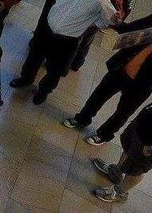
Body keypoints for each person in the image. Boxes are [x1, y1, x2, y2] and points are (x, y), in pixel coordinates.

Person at [10, 0, 118, 104]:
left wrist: (112, 20)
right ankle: (25, 79)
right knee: (33, 57)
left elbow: (108, 21)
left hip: (67, 41)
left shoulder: (100, 0)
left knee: (55, 70)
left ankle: (43, 91)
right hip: (46, 31)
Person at [63, 13, 152, 146]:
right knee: (99, 95)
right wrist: (116, 22)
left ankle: (104, 134)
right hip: (122, 67)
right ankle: (82, 119)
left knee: (123, 112)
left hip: (142, 84)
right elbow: (132, 28)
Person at [91, 105, 152, 203]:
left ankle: (120, 193)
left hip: (149, 141)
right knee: (129, 146)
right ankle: (116, 172)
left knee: (138, 167)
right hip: (144, 122)